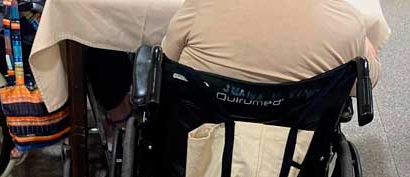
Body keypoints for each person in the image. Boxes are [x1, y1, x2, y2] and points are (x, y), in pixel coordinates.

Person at [162, 0, 382, 86]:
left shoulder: (202, 6)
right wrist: (366, 49)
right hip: (296, 153)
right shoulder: (346, 20)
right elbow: (363, 84)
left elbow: (167, 59)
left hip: (202, 140)